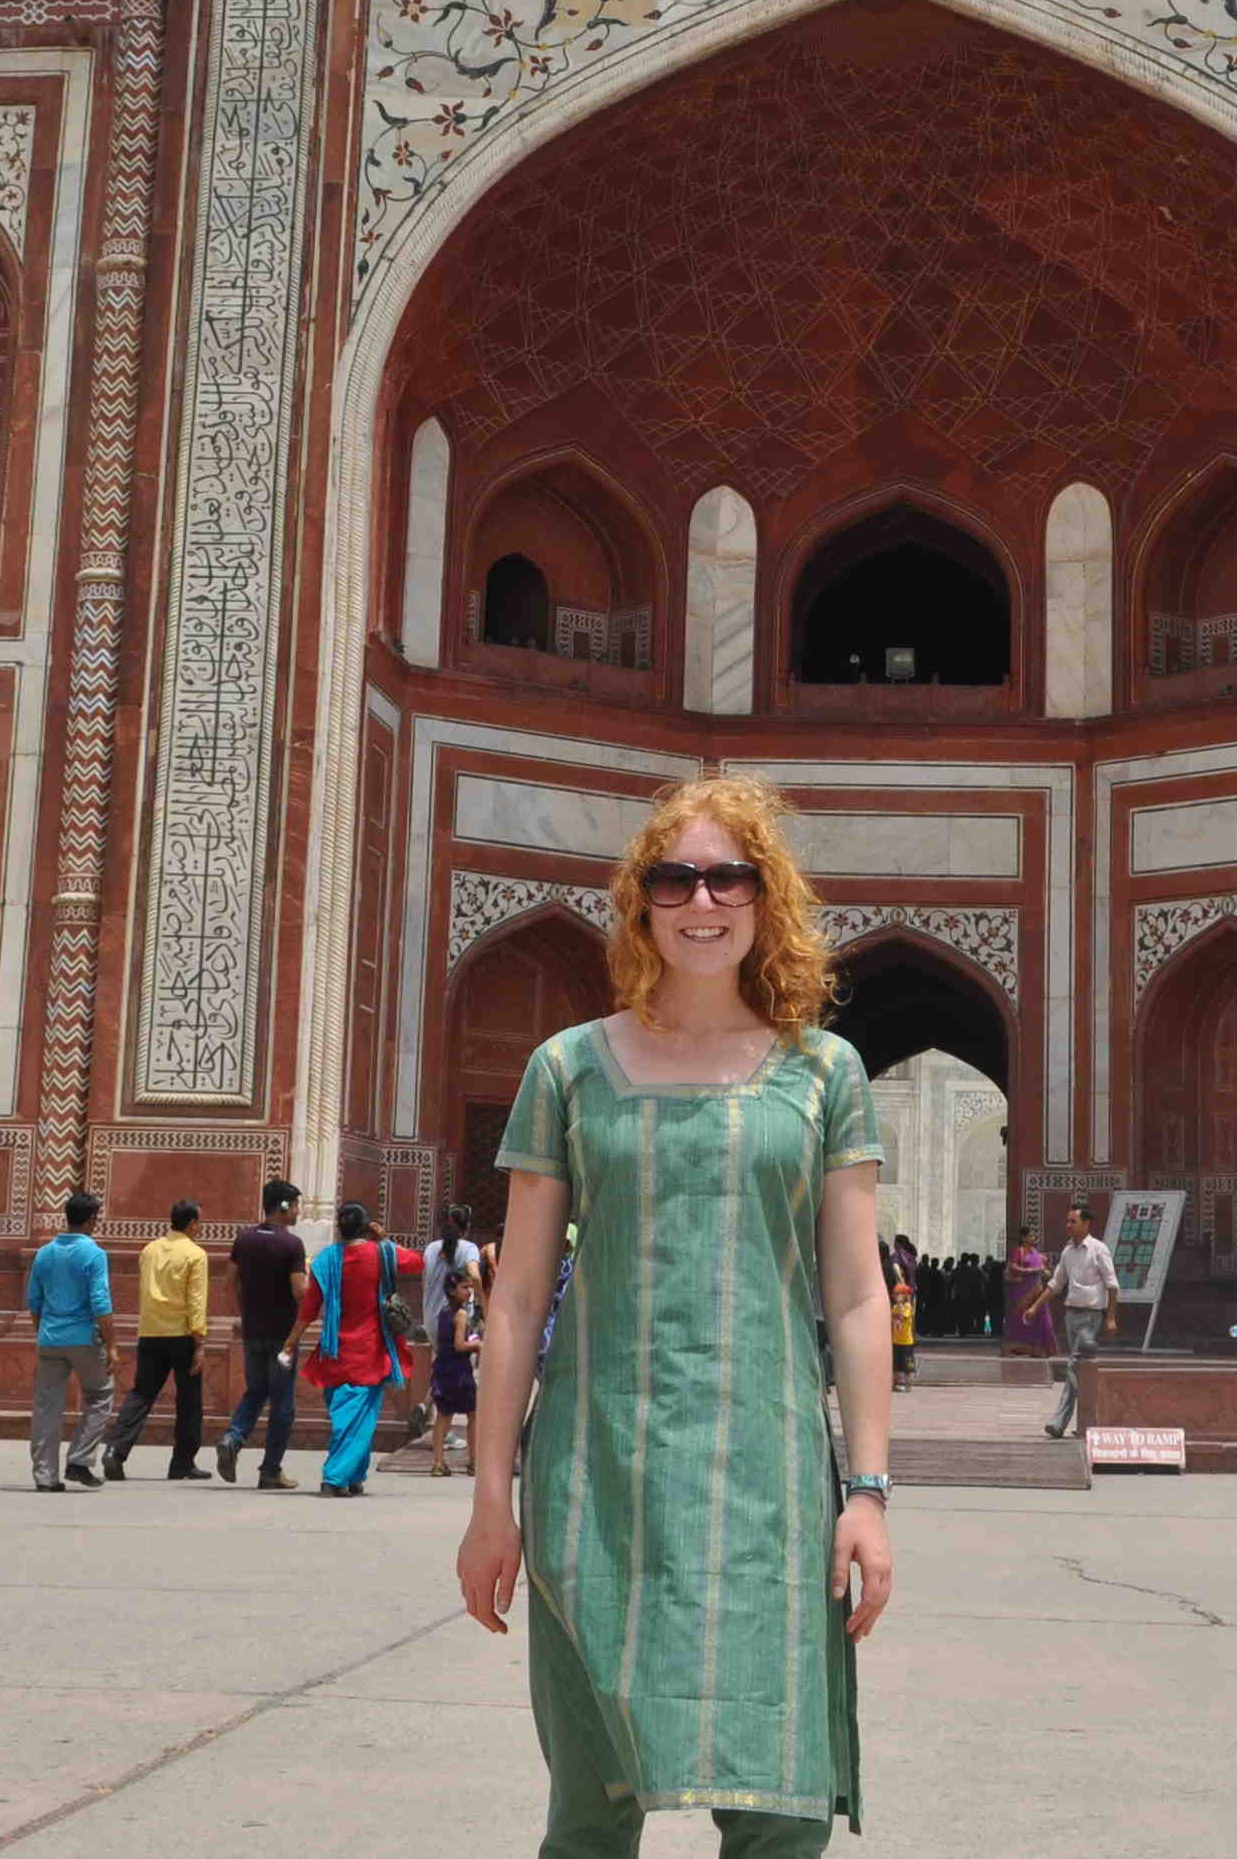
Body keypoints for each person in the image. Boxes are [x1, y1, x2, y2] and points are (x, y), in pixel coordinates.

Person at [455, 772, 894, 1856]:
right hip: (598, 1476)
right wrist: (491, 1497)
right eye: (675, 879)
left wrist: (870, 1491)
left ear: (765, 897)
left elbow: (854, 1294)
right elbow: (517, 1297)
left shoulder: (822, 1070)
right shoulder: (569, 1067)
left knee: (779, 1811)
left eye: (729, 877)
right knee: (591, 1808)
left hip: (769, 1487)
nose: (703, 901)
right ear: (640, 901)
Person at [302, 1197, 410, 1497]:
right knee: (360, 1422)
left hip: (334, 1352)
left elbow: (309, 1308)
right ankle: (334, 1477)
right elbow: (417, 1262)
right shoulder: (381, 1253)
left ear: (339, 1228)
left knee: (349, 1420)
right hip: (370, 1353)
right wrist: (384, 1239)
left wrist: (291, 1341)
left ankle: (354, 1476)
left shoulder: (325, 1260)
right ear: (367, 1226)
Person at [100, 1198, 211, 1482]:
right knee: (189, 1400)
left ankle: (115, 1450)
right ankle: (183, 1462)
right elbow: (196, 1300)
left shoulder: (149, 1250)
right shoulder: (196, 1254)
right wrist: (200, 1342)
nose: (200, 1227)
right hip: (182, 1334)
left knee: (141, 1394)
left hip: (150, 1333)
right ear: (191, 1224)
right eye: (199, 1222)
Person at [214, 1178, 309, 1492]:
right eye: (295, 1205)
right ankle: (270, 1470)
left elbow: (230, 1283)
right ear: (283, 1206)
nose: (297, 1211)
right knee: (283, 1403)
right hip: (283, 1338)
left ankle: (233, 1437)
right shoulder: (292, 1245)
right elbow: (299, 1291)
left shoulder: (244, 1239)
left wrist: (244, 1313)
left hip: (252, 1331)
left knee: (256, 1391)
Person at [23, 1189, 118, 1491]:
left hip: (50, 1337)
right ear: (91, 1220)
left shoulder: (44, 1253)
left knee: (47, 1407)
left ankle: (45, 1476)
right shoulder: (94, 1254)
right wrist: (112, 1345)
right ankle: (79, 1459)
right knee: (100, 1395)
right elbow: (101, 1303)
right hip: (84, 1338)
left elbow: (33, 1300)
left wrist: (42, 1331)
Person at [1036, 1200, 1119, 1440]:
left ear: (1087, 1223)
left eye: (1073, 1221)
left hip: (1091, 1316)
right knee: (1080, 1369)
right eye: (1067, 1221)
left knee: (1074, 1365)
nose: (1068, 1225)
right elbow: (1055, 1284)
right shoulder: (1068, 1251)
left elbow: (1113, 1285)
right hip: (1071, 1314)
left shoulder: (1098, 1249)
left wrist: (1111, 1317)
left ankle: (1058, 1422)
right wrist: (1035, 1307)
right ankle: (1093, 1416)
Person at [427, 1248, 485, 1477]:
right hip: (459, 1372)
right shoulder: (460, 1315)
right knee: (473, 1414)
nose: (469, 1291)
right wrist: (478, 1344)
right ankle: (474, 1462)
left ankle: (438, 1463)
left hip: (443, 1369)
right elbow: (460, 1345)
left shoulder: (443, 1312)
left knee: (443, 1416)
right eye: (464, 1287)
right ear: (452, 1290)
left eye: (469, 1287)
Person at [1004, 1231, 1056, 1356]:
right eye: (1031, 1236)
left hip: (1037, 1290)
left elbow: (1044, 1270)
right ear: (1024, 1238)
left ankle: (1039, 1349)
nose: (1034, 1238)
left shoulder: (1037, 1253)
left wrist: (1046, 1272)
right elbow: (1012, 1266)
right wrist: (1029, 1270)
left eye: (1034, 1236)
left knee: (1041, 1318)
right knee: (1019, 1318)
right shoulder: (1019, 1251)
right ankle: (1013, 1348)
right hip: (1022, 1290)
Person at [888, 1235, 921, 1388]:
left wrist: (900, 1284)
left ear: (897, 1244)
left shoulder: (897, 1256)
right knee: (909, 1319)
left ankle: (903, 1380)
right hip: (911, 1292)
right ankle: (904, 1380)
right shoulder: (911, 1256)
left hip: (904, 1291)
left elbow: (895, 1268)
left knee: (903, 1358)